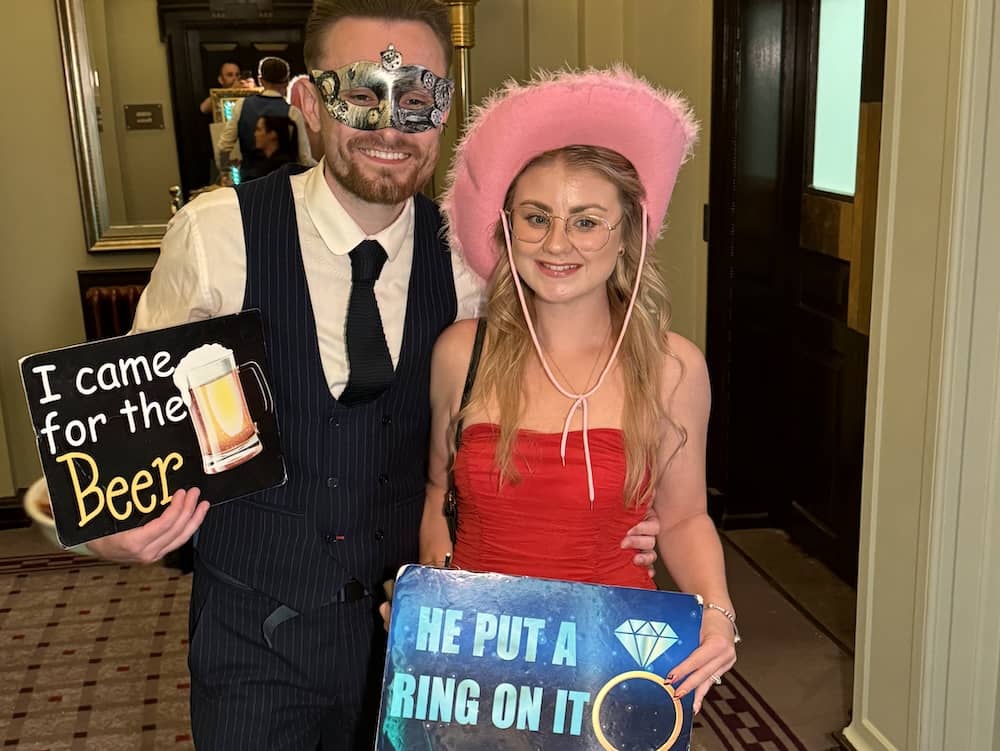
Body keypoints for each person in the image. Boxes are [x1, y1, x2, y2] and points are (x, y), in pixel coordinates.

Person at [85, 2, 659, 748]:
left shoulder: (476, 256)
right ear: (307, 104)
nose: (392, 126)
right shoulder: (216, 234)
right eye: (360, 93)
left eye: (419, 99)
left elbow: (559, 387)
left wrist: (618, 508)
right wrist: (104, 532)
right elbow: (114, 442)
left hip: (423, 642)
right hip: (253, 641)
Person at [410, 67, 739, 716]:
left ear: (627, 236)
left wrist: (718, 613)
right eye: (536, 218)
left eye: (586, 222)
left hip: (610, 660)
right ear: (508, 228)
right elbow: (438, 494)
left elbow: (683, 517)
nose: (556, 243)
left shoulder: (672, 367)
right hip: (481, 661)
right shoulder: (460, 351)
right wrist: (431, 611)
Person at [216, 56, 315, 180]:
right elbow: (304, 158)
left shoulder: (242, 106)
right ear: (286, 81)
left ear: (260, 80)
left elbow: (223, 146)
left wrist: (224, 169)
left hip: (249, 184)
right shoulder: (293, 113)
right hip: (283, 183)